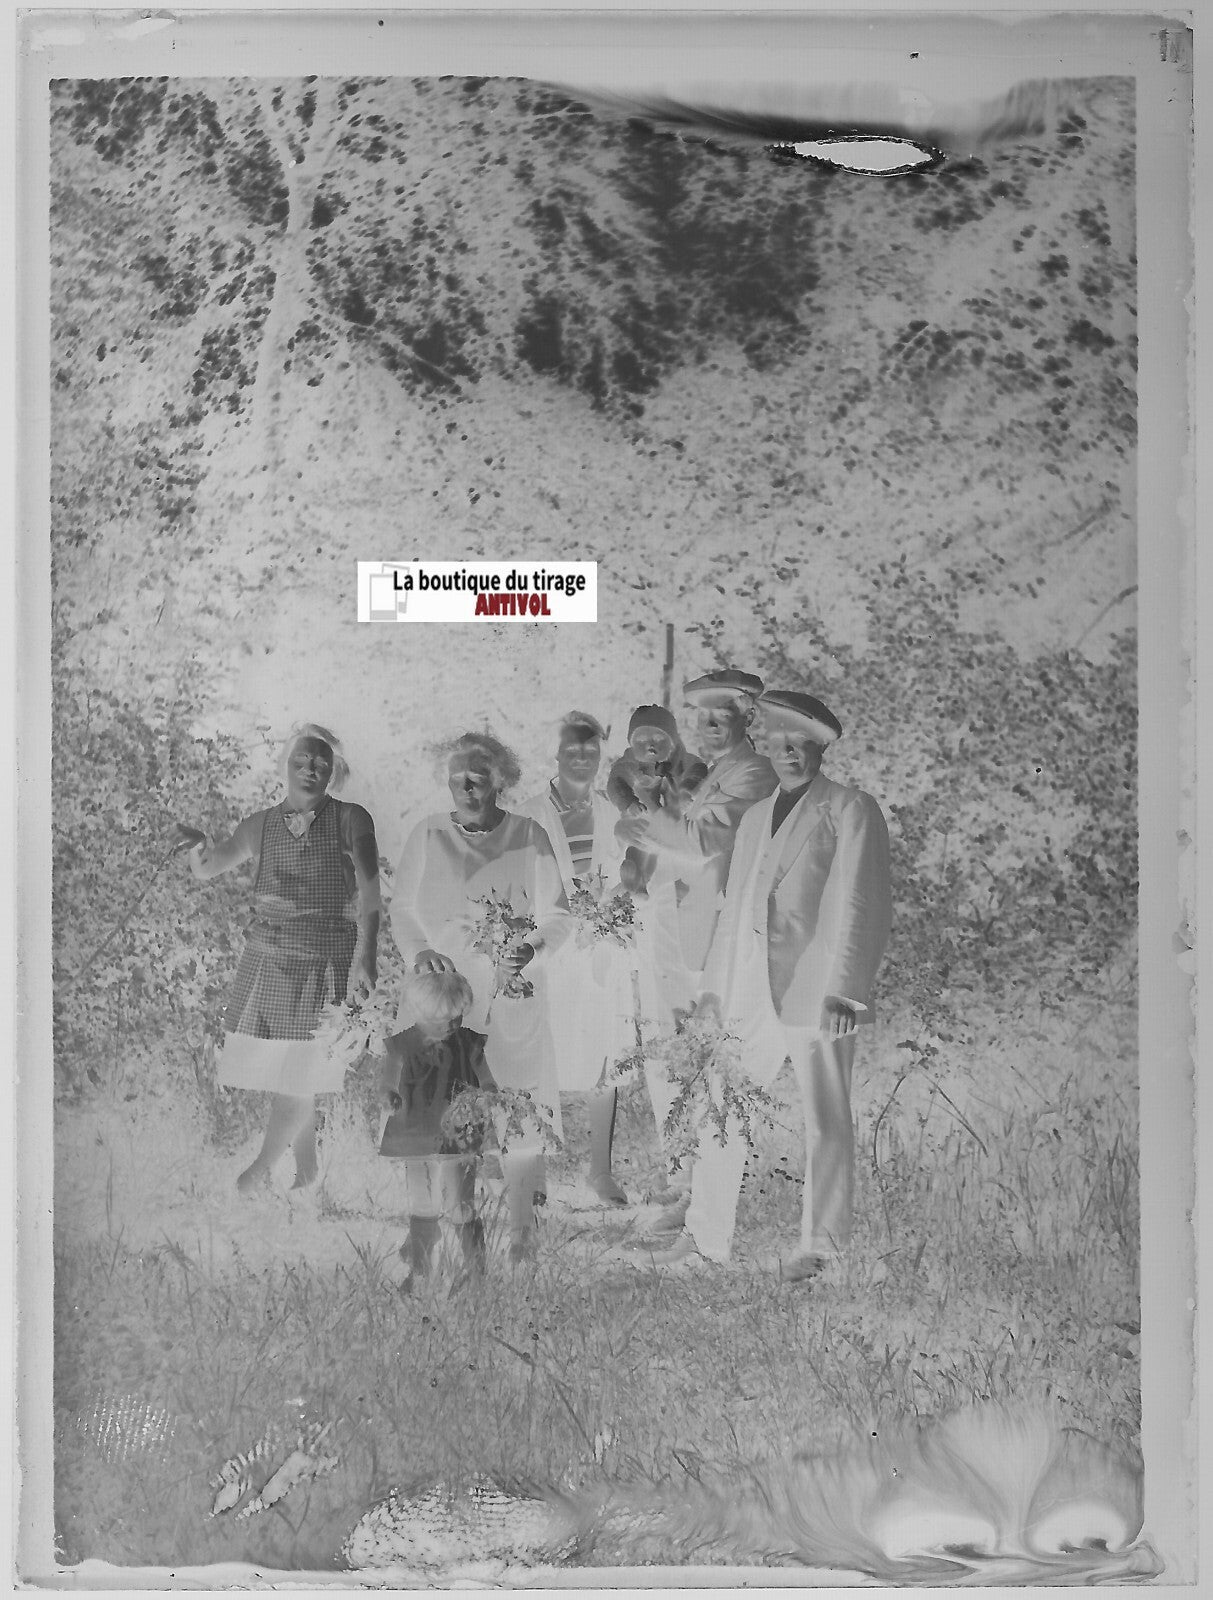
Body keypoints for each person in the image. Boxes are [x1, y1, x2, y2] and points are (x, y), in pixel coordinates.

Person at [644, 689, 892, 1277]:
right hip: (746, 988)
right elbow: (735, 909)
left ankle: (823, 1251)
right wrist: (712, 992)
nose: (788, 754)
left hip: (817, 989)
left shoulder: (850, 808)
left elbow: (865, 903)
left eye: (800, 744)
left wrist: (846, 990)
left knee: (825, 1114)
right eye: (778, 743)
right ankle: (706, 1241)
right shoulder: (756, 816)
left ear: (821, 749)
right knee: (720, 1102)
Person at [391, 731, 570, 1262]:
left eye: (477, 777)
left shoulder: (529, 835)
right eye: (456, 779)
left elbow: (558, 916)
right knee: (436, 1113)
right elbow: (403, 909)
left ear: (500, 780)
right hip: (444, 998)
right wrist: (421, 951)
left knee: (519, 1108)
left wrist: (530, 950)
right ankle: (431, 1227)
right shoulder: (428, 834)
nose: (466, 787)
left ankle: (522, 1235)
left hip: (511, 992)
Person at [186, 724, 380, 1194]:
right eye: (301, 760)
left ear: (334, 771)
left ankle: (258, 1171)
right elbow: (210, 867)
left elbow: (372, 895)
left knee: (301, 1069)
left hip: (324, 960)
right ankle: (307, 1173)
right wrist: (194, 848)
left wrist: (368, 955)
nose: (310, 769)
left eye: (321, 762)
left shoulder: (352, 819)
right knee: (293, 1072)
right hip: (269, 959)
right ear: (284, 766)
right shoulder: (259, 825)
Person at [616, 670, 777, 1212]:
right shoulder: (706, 773)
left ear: (747, 716)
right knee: (668, 1057)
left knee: (701, 1063)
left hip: (708, 938)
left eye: (721, 714)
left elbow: (702, 840)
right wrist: (633, 828)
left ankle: (699, 1201)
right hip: (670, 924)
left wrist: (641, 822)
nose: (708, 724)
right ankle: (681, 1183)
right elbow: (664, 833)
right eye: (701, 716)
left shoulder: (754, 772)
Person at [520, 711, 633, 1205]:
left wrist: (610, 923)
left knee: (604, 1060)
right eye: (572, 749)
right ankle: (534, 1173)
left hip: (600, 953)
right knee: (540, 1056)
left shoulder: (616, 813)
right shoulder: (527, 815)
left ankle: (600, 1172)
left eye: (590, 749)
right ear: (556, 754)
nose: (582, 757)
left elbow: (632, 880)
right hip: (547, 953)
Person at [378, 967, 494, 1293]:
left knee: (461, 1203)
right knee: (423, 1203)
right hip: (417, 1132)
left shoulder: (468, 1042)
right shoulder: (403, 1044)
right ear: (417, 1011)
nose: (448, 1026)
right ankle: (421, 1272)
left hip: (460, 1133)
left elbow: (486, 1078)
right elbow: (388, 1080)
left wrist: (491, 1094)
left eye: (455, 1017)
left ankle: (477, 1273)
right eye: (437, 1020)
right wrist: (389, 1094)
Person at [606, 705, 708, 898]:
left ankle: (643, 882)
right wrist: (628, 802)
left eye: (659, 739)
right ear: (631, 744)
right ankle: (634, 874)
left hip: (673, 823)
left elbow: (699, 771)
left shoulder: (683, 761)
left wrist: (687, 790)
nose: (650, 744)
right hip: (642, 817)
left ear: (672, 744)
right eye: (641, 740)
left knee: (658, 850)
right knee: (639, 843)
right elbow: (617, 782)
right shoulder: (629, 763)